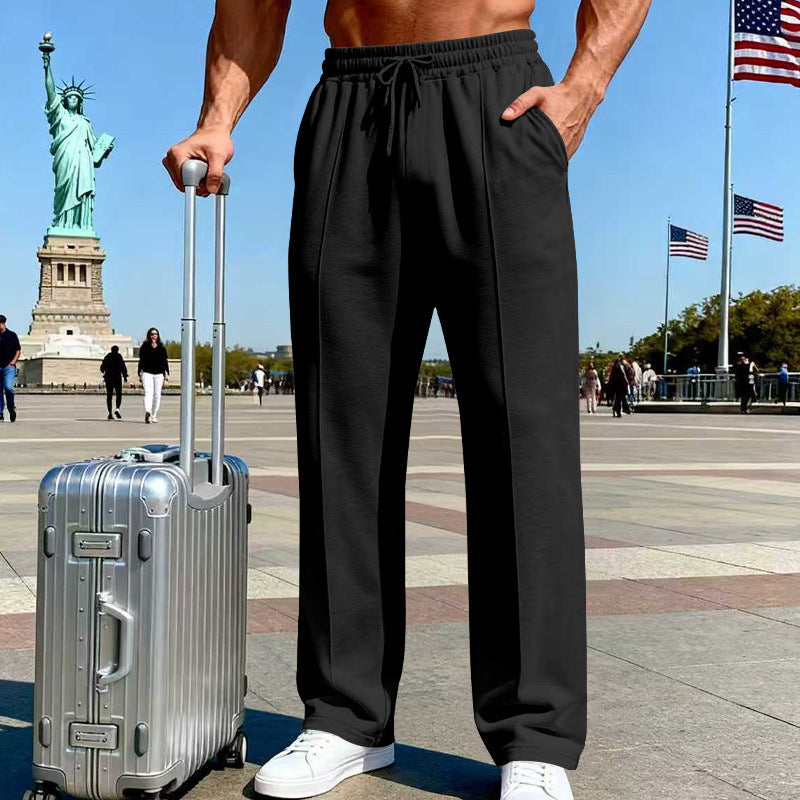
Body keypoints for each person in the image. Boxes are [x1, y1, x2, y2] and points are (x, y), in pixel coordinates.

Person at [163, 1, 651, 798]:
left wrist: (584, 86)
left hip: (496, 97)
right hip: (350, 104)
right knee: (340, 430)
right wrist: (218, 117)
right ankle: (346, 716)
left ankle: (534, 736)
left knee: (522, 435)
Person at [137, 327, 169, 424]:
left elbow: (165, 361)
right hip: (147, 372)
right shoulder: (145, 347)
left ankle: (154, 414)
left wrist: (167, 373)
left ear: (158, 336)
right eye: (152, 334)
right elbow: (141, 360)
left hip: (159, 373)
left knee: (157, 394)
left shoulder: (162, 348)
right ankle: (148, 411)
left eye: (155, 334)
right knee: (148, 392)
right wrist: (140, 372)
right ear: (149, 335)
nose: (153, 336)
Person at [0, 314, 21, 423]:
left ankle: (11, 408)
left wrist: (13, 362)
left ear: (2, 324)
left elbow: (18, 350)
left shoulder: (12, 335)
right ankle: (0, 413)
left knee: (8, 388)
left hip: (8, 367)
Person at [100, 345, 129, 420]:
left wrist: (104, 371)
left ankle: (110, 413)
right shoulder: (119, 356)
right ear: (117, 350)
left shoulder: (108, 356)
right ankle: (117, 408)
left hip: (108, 378)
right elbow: (123, 367)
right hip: (117, 377)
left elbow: (102, 367)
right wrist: (125, 376)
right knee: (118, 394)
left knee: (109, 395)